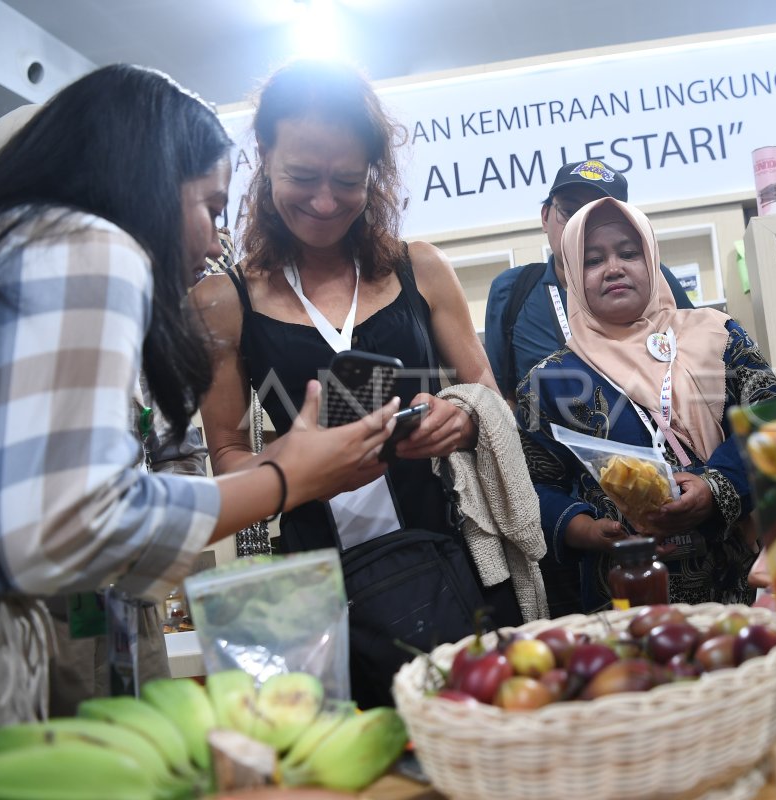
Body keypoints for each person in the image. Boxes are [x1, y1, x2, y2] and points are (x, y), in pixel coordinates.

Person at [0, 65, 400, 724]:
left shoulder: (24, 245)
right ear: (146, 178)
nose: (214, 241)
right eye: (211, 208)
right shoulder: (87, 244)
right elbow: (62, 526)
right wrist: (282, 478)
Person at [193, 60, 535, 708]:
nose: (324, 202)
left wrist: (460, 419)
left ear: (373, 172)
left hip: (452, 568)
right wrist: (295, 469)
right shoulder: (225, 299)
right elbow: (228, 456)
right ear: (264, 157)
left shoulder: (420, 269)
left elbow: (491, 398)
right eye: (302, 177)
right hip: (321, 593)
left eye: (347, 181)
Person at [518, 197, 776, 613]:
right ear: (569, 274)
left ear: (652, 260)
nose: (614, 268)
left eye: (628, 253)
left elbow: (772, 423)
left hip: (736, 580)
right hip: (624, 590)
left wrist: (715, 488)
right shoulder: (549, 380)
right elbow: (532, 482)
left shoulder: (719, 335)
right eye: (592, 260)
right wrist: (581, 527)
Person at [484, 159, 696, 402]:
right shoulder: (512, 290)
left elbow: (698, 360)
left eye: (596, 216)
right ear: (545, 217)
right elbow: (498, 394)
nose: (579, 225)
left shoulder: (652, 279)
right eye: (570, 212)